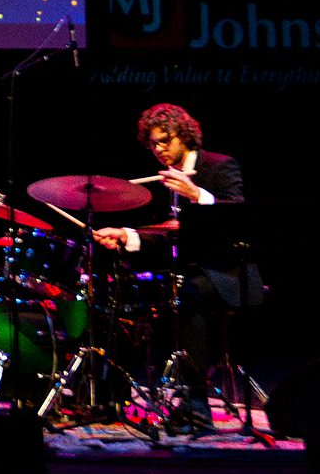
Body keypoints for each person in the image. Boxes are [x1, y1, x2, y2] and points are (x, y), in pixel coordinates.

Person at [92, 102, 250, 381]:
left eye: (165, 142)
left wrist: (196, 194)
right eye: (153, 145)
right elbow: (168, 235)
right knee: (122, 291)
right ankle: (115, 390)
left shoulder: (218, 165)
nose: (159, 150)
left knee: (187, 294)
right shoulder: (165, 178)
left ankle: (195, 400)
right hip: (187, 273)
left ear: (185, 136)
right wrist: (126, 235)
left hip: (229, 273)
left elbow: (238, 220)